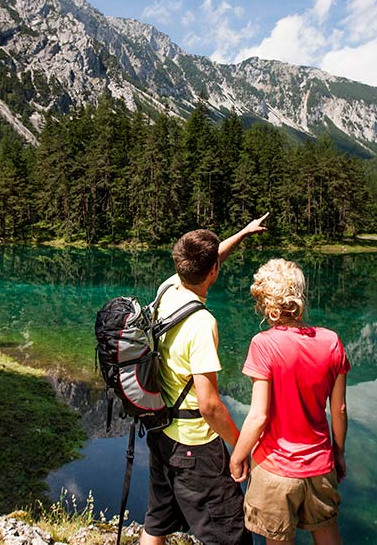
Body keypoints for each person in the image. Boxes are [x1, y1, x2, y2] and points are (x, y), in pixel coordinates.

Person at [140, 213, 269, 545]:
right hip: (195, 447)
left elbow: (209, 259)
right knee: (230, 537)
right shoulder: (201, 323)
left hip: (161, 433)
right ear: (212, 272)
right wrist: (241, 445)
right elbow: (210, 405)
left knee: (156, 523)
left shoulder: (168, 289)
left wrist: (242, 232)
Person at [229, 259, 351, 545]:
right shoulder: (331, 341)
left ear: (264, 302)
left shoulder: (264, 344)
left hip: (275, 470)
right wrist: (340, 453)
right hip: (321, 464)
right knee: (328, 536)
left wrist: (237, 457)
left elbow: (258, 416)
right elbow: (340, 410)